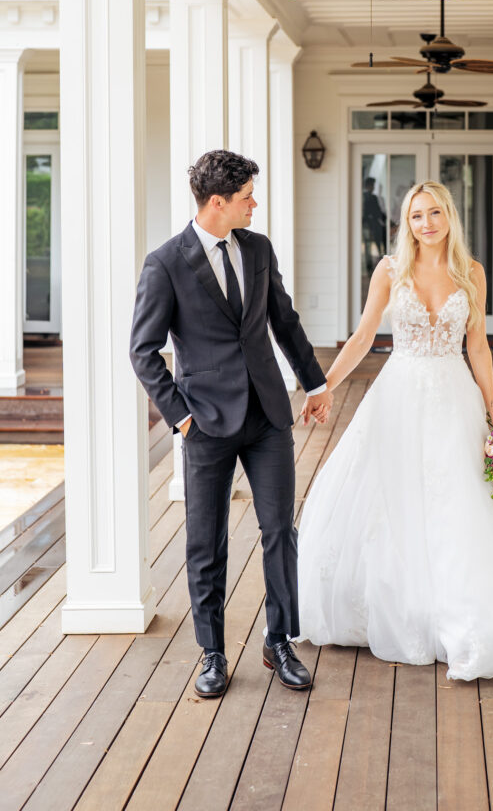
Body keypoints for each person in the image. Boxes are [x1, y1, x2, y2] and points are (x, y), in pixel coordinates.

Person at [297, 181, 493, 680]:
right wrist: (322, 386)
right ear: (405, 223)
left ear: (450, 217)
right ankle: (399, 608)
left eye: (435, 213)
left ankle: (457, 614)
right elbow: (365, 335)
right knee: (393, 498)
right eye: (416, 216)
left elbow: (477, 346)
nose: (426, 223)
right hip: (398, 395)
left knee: (459, 502)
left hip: (454, 395)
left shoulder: (470, 272)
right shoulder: (391, 271)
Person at [130, 151, 332, 697]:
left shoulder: (258, 250)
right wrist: (182, 418)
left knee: (278, 532)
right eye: (247, 197)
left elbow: (284, 321)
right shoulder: (165, 263)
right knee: (206, 543)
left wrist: (315, 384)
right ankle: (213, 653)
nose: (255, 204)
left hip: (267, 416)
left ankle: (279, 640)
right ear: (217, 202)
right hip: (206, 424)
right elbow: (143, 351)